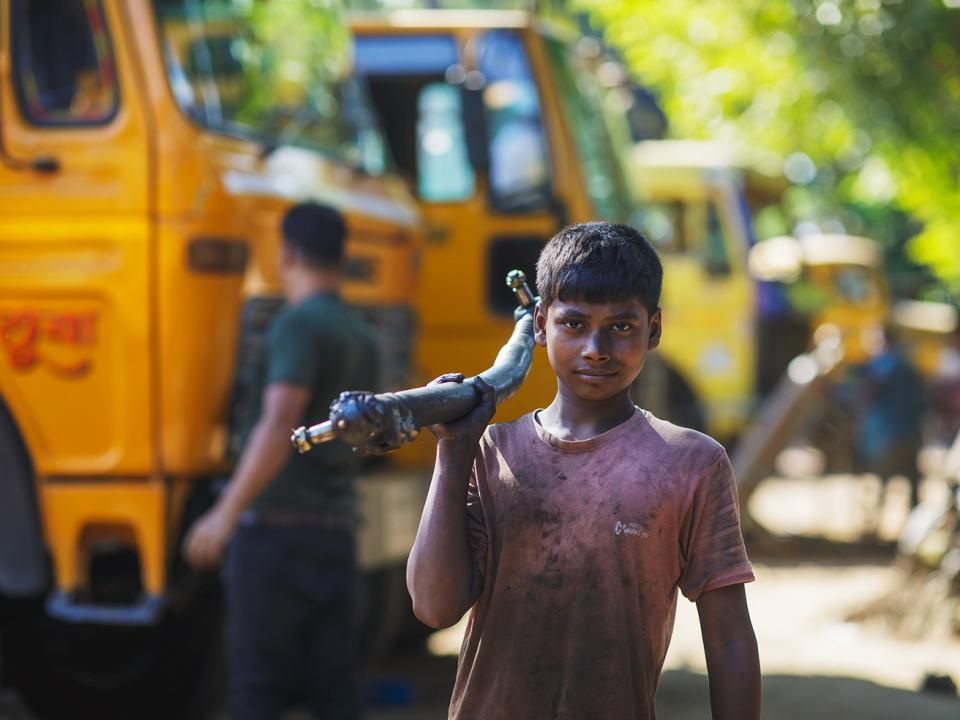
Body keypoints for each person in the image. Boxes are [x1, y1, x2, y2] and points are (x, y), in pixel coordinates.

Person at [407, 222, 760, 719]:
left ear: (654, 329)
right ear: (540, 324)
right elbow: (433, 606)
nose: (596, 347)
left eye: (621, 327)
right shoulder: (492, 451)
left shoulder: (691, 464)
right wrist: (452, 451)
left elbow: (728, 639)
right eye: (573, 324)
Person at [183, 202, 379, 720]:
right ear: (340, 256)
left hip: (274, 539)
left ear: (286, 253)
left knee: (258, 691)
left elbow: (278, 423)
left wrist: (224, 514)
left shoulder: (297, 326)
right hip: (336, 535)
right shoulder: (363, 337)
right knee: (335, 693)